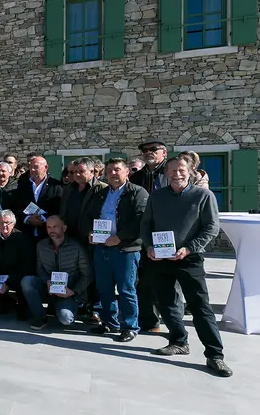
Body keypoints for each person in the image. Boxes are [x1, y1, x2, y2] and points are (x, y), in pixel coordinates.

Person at [140, 156, 231, 377]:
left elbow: (211, 227)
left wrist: (189, 248)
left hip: (189, 258)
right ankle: (179, 341)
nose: (176, 174)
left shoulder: (203, 196)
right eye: (171, 170)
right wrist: (149, 246)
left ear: (190, 171)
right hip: (160, 259)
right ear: (166, 173)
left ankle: (215, 355)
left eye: (181, 169)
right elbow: (146, 224)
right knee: (166, 302)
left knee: (200, 306)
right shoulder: (156, 196)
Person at [84, 158, 148, 342]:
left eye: (117, 169)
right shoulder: (101, 193)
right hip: (101, 247)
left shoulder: (137, 192)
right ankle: (109, 322)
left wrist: (119, 237)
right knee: (104, 288)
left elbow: (141, 220)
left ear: (127, 172)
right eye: (109, 170)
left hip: (125, 249)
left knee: (126, 289)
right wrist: (89, 232)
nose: (112, 173)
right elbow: (88, 216)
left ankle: (130, 327)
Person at [22, 215, 92, 330]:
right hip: (48, 288)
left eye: (55, 227)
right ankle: (40, 317)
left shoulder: (77, 247)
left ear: (64, 228)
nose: (52, 230)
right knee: (27, 281)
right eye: (49, 227)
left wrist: (74, 291)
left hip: (68, 292)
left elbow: (87, 274)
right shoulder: (41, 245)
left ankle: (63, 308)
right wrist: (47, 281)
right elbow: (40, 269)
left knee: (66, 319)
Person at [130, 138, 170, 333]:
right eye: (145, 150)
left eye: (153, 149)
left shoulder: (171, 173)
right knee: (144, 278)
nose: (148, 152)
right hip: (143, 233)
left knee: (169, 279)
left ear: (164, 152)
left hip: (167, 233)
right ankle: (150, 321)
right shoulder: (136, 177)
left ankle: (173, 322)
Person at [0, 210, 34, 319]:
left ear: (13, 224)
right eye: (0, 222)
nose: (4, 225)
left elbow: (26, 265)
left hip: (16, 277)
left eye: (7, 223)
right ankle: (7, 302)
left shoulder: (22, 239)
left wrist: (9, 282)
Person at [13, 156, 63, 242]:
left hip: (48, 236)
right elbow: (16, 207)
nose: (32, 170)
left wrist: (43, 218)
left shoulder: (56, 186)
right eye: (30, 167)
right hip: (26, 235)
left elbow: (59, 209)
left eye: (36, 167)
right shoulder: (23, 186)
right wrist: (27, 218)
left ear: (46, 167)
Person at [60, 158, 107, 244]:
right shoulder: (68, 189)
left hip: (90, 239)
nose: (77, 174)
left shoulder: (102, 189)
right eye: (75, 172)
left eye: (81, 171)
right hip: (69, 238)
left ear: (91, 171)